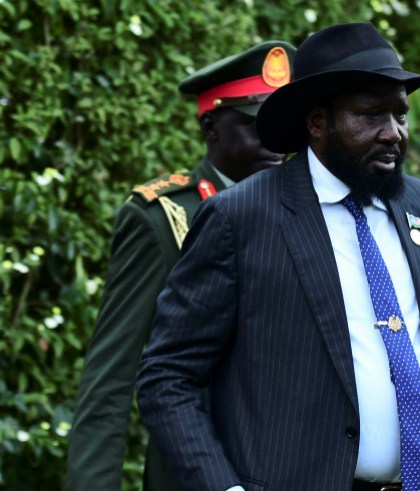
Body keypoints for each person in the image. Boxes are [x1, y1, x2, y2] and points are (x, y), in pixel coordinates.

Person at [136, 23, 420, 491]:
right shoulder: (241, 218)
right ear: (318, 122)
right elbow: (167, 377)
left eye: (400, 115)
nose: (394, 134)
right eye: (371, 115)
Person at [65, 40, 296, 491]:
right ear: (211, 127)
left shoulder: (308, 210)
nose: (276, 144)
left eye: (282, 127)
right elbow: (110, 379)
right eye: (256, 126)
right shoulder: (164, 219)